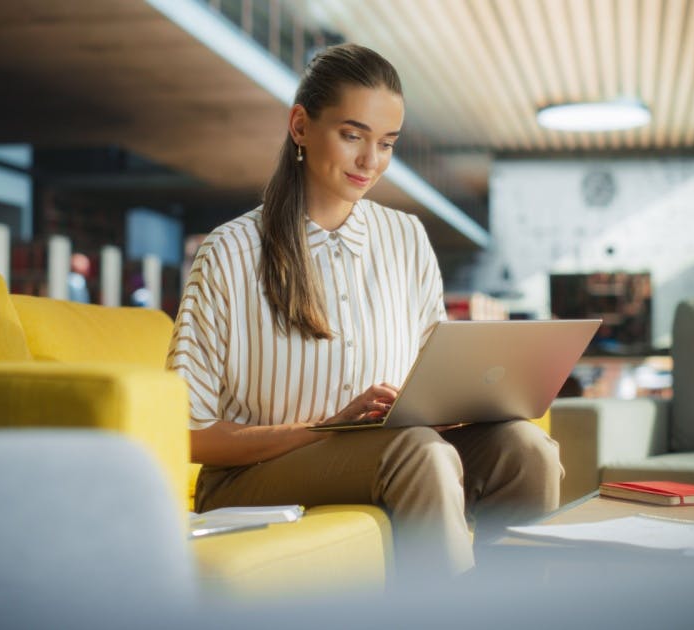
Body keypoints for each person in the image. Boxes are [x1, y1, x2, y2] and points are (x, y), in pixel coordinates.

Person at [167, 43, 562, 578]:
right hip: (254, 474)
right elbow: (187, 433)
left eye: (386, 143)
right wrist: (327, 428)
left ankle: (524, 608)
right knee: (418, 452)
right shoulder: (230, 251)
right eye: (352, 135)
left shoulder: (406, 237)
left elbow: (431, 370)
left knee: (526, 449)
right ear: (301, 126)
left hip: (397, 448)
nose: (370, 161)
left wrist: (461, 399)